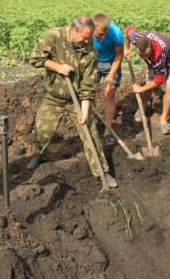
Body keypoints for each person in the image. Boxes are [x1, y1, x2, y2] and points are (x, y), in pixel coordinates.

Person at [27, 15, 118, 188]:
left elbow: (88, 84)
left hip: (76, 99)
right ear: (73, 30)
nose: (87, 41)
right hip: (52, 96)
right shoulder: (53, 37)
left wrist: (85, 111)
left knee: (90, 131)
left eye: (89, 37)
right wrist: (57, 66)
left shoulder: (90, 51)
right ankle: (38, 155)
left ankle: (102, 171)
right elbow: (35, 58)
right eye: (84, 37)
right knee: (42, 130)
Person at [124, 25, 170, 135]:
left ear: (151, 48)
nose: (144, 58)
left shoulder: (158, 57)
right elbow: (128, 29)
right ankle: (142, 109)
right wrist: (126, 47)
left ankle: (163, 120)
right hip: (156, 58)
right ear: (136, 46)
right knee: (149, 84)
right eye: (141, 56)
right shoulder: (136, 38)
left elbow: (159, 81)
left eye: (146, 55)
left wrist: (141, 88)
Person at [92, 13, 124, 146]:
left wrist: (111, 75)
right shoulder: (86, 33)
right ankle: (92, 124)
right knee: (89, 93)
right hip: (92, 62)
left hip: (111, 62)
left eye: (105, 33)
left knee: (109, 94)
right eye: (100, 34)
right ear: (92, 29)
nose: (103, 36)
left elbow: (119, 54)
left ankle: (107, 131)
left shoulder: (115, 33)